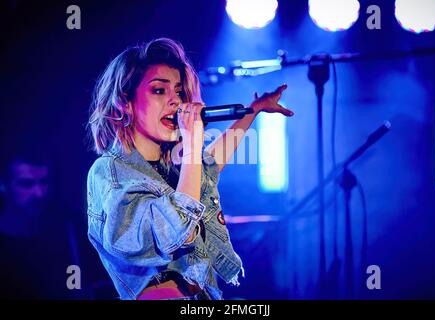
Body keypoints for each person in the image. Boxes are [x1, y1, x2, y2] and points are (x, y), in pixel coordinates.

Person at [87, 37, 294, 300]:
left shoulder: (173, 165)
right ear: (125, 102)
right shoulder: (111, 172)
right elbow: (176, 233)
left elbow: (210, 166)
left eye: (180, 92)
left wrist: (252, 111)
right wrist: (194, 143)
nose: (176, 102)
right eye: (160, 91)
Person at [0, 148, 80, 299]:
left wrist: (76, 288)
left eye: (44, 182)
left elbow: (74, 280)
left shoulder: (66, 231)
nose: (40, 193)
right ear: (3, 185)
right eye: (26, 183)